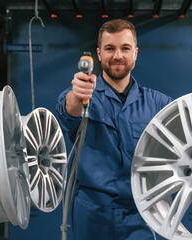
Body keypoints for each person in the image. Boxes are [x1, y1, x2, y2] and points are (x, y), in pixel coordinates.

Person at [56, 19, 172, 240]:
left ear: (135, 53)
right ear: (99, 54)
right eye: (110, 48)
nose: (117, 55)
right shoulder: (83, 96)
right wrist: (77, 95)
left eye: (125, 48)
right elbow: (67, 109)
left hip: (139, 212)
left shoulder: (159, 104)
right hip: (92, 212)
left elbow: (186, 133)